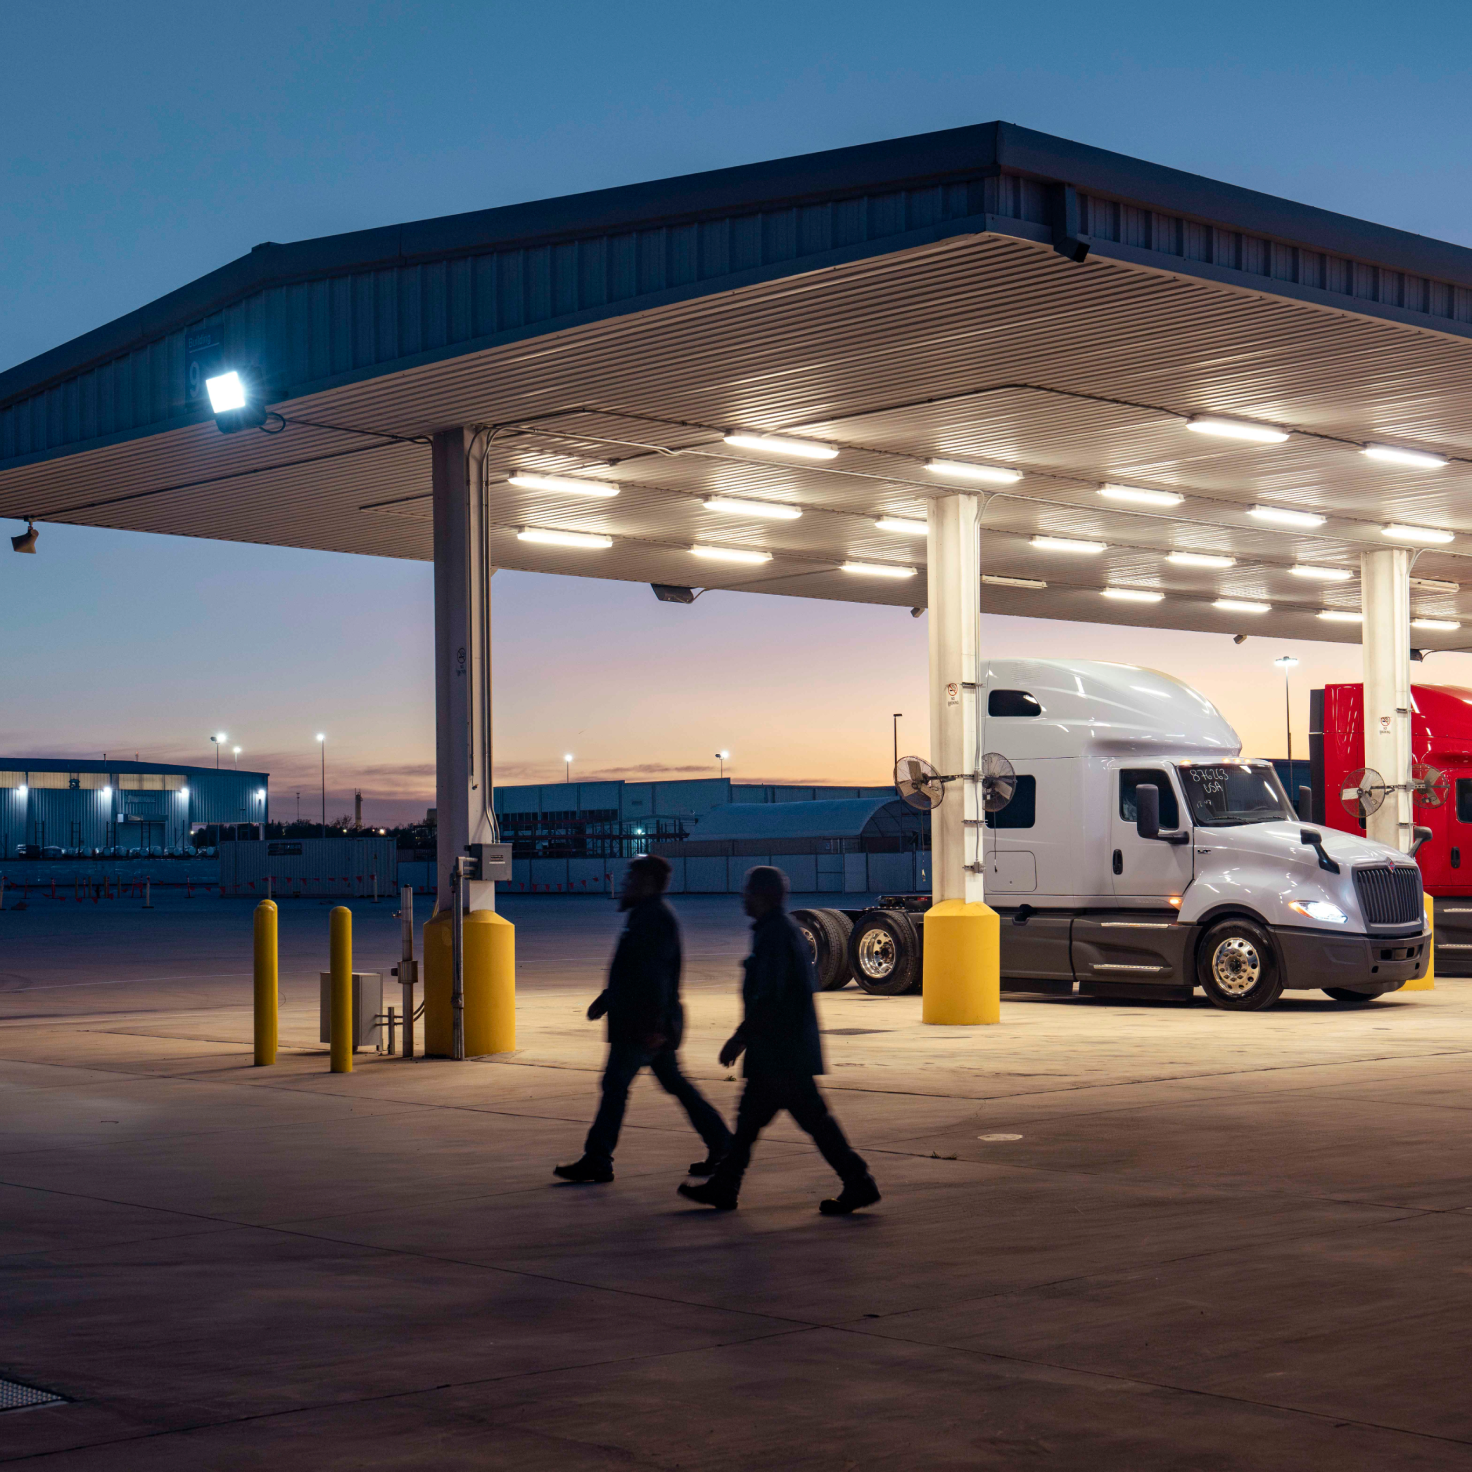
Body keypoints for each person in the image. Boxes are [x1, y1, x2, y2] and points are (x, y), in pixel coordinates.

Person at [678, 865, 880, 1215]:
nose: (744, 896)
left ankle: (858, 1181)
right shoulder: (778, 931)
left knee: (803, 1122)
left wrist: (740, 1037)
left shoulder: (775, 935)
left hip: (782, 1053)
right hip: (782, 1051)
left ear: (764, 895)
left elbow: (771, 996)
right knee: (756, 1123)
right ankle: (727, 1186)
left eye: (749, 890)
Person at [554, 854, 732, 1184]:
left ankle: (598, 1158)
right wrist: (607, 1000)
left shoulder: (654, 919)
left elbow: (656, 978)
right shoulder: (645, 915)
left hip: (642, 1027)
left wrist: (655, 1028)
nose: (624, 884)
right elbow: (633, 971)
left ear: (647, 883)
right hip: (644, 1024)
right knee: (673, 1084)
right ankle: (722, 1145)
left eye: (631, 879)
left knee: (615, 1086)